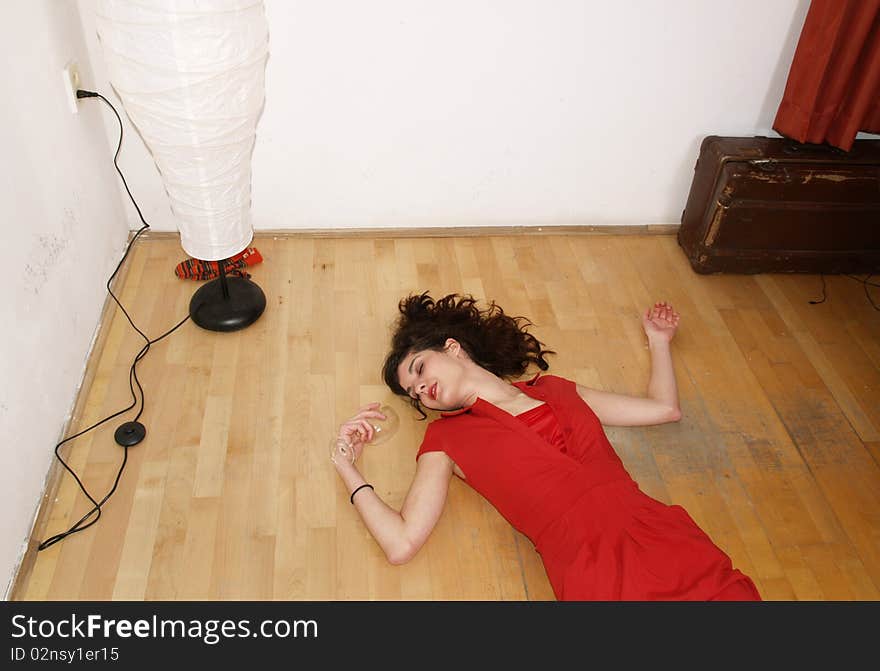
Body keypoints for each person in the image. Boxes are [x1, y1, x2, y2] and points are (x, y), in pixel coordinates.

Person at [331, 292, 761, 601]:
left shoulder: (555, 389)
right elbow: (401, 543)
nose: (421, 388)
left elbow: (664, 409)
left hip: (667, 540)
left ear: (453, 348)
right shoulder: (445, 440)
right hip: (593, 572)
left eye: (419, 369)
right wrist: (348, 465)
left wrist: (660, 342)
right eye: (414, 392)